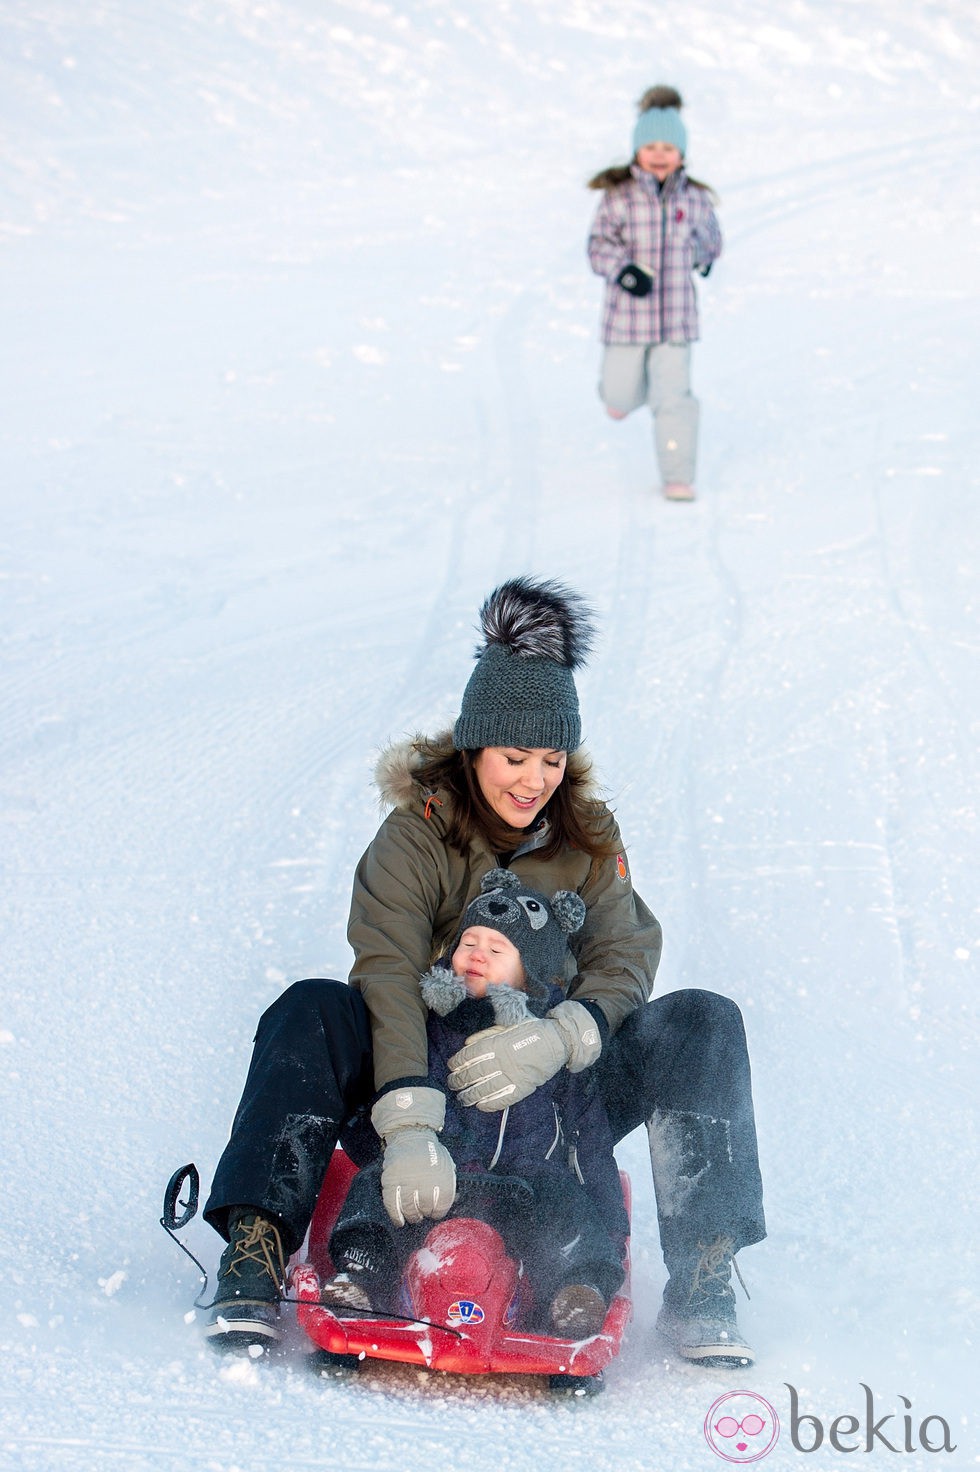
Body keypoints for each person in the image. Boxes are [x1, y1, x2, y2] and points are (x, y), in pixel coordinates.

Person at [202, 575, 765, 1368]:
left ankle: (704, 1273)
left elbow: (625, 952)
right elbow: (389, 975)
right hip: (423, 1082)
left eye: (552, 758)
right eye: (513, 757)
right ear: (472, 749)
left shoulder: (587, 832)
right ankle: (256, 1248)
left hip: (554, 1104)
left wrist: (569, 1032)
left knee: (702, 1020)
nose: (534, 782)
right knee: (311, 1010)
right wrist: (407, 1122)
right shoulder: (414, 839)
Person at [320, 868, 629, 1338]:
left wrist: (608, 1224)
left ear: (530, 975)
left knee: (566, 1205)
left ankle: (576, 1293)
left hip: (524, 1191)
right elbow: (385, 1095)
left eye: (497, 949)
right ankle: (359, 1279)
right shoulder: (425, 1027)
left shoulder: (552, 1053)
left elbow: (589, 1142)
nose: (477, 954)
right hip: (436, 1183)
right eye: (469, 942)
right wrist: (379, 1151)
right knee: (375, 1188)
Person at [586, 84, 722, 502]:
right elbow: (598, 246)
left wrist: (702, 256)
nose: (660, 154)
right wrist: (624, 271)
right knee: (620, 393)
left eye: (669, 147)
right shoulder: (619, 197)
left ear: (682, 153)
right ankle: (621, 396)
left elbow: (712, 240)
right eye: (651, 147)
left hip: (676, 321)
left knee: (674, 399)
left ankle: (678, 476)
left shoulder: (695, 199)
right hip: (627, 320)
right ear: (636, 152)